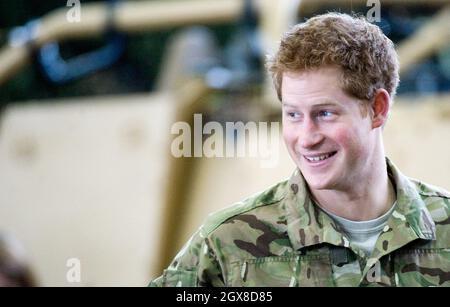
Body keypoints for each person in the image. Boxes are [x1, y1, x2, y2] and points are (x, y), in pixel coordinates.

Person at [150, 12, 450, 287]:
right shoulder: (228, 244)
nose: (306, 138)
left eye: (325, 114)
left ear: (377, 109)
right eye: (293, 114)